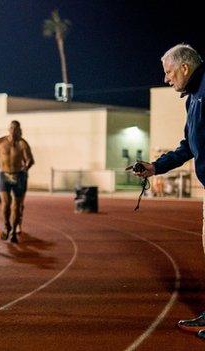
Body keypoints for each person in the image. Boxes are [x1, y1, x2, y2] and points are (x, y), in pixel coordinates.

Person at [131, 44, 205, 339]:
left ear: (184, 68)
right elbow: (188, 145)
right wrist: (154, 167)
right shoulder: (194, 97)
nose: (166, 78)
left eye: (169, 72)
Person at [0, 120, 34, 243]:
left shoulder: (22, 144)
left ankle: (13, 230)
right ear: (9, 129)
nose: (13, 131)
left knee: (16, 206)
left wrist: (26, 167)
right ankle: (6, 226)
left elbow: (30, 159)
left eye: (16, 129)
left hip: (18, 175)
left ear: (19, 130)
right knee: (6, 204)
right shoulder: (1, 141)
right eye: (12, 128)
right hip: (4, 175)